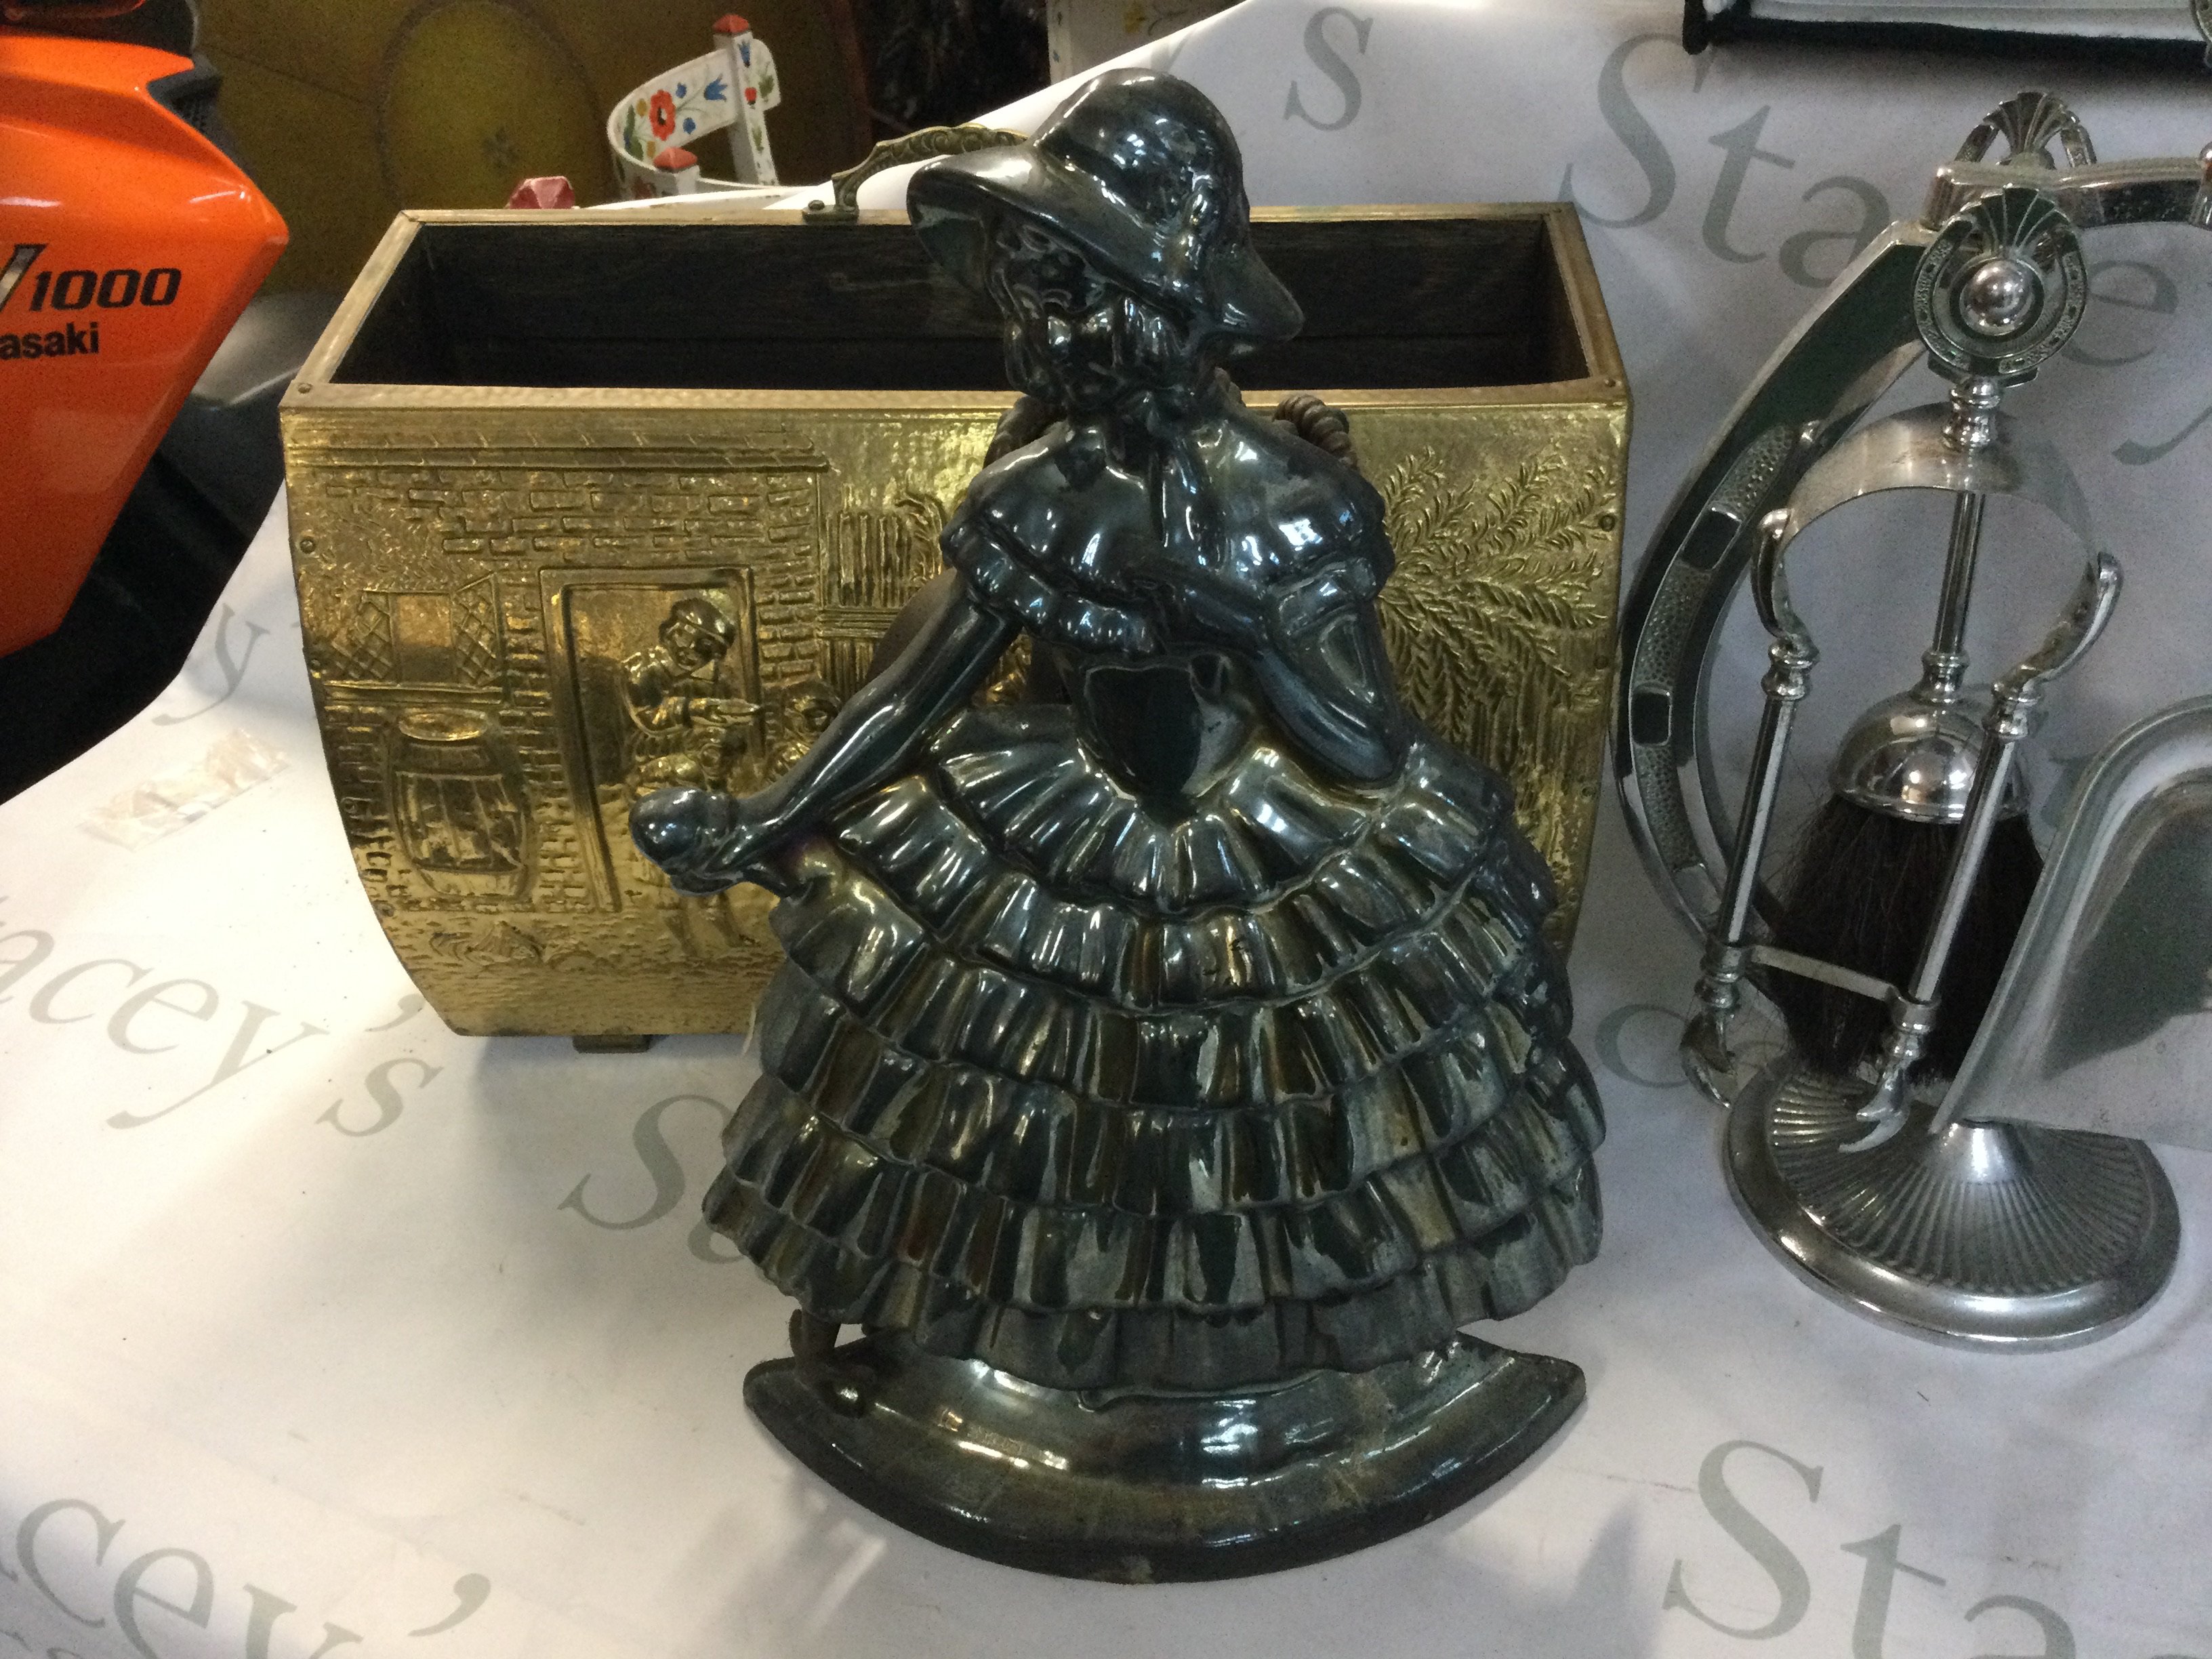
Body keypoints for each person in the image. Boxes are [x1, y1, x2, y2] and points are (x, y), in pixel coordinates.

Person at [632, 69, 1602, 1395]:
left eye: (1073, 292)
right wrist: (772, 814)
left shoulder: (1289, 498)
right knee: (1017, 1085)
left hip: (1272, 836)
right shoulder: (1039, 496)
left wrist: (1244, 627)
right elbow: (908, 694)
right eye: (1030, 292)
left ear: (1172, 305)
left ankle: (1307, 1346)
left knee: (1287, 1095)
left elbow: (1364, 745)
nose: (1043, 330)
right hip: (1066, 819)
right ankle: (1018, 1341)